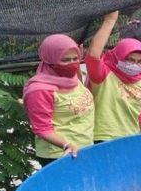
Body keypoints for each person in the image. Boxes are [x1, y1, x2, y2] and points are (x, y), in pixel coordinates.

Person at [23, 34, 94, 166]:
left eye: (76, 58)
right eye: (66, 60)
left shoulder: (71, 79)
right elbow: (42, 128)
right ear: (50, 60)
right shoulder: (40, 90)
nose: (72, 64)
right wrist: (66, 145)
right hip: (60, 154)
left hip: (83, 148)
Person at [86, 11, 141, 142]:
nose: (134, 65)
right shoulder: (104, 74)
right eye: (130, 60)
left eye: (139, 62)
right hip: (103, 138)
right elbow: (93, 55)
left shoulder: (139, 80)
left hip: (130, 138)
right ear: (118, 56)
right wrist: (109, 21)